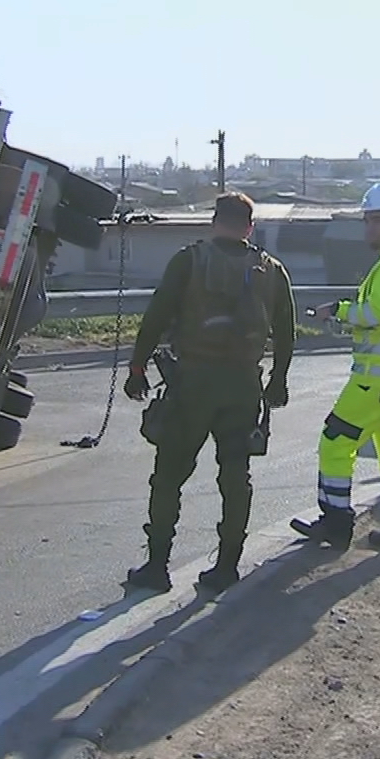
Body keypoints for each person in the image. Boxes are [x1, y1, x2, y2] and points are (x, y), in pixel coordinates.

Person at [122, 192, 296, 593]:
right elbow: (286, 333)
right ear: (250, 227)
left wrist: (137, 368)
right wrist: (278, 381)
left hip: (193, 384)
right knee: (236, 476)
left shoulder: (189, 260)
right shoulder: (272, 271)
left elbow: (157, 315)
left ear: (215, 220)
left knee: (168, 476)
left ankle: (157, 567)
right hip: (242, 386)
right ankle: (227, 568)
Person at [291, 181, 380, 554]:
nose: (370, 228)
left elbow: (375, 314)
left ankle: (336, 523)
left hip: (378, 380)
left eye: (377, 221)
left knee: (336, 440)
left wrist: (337, 311)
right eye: (367, 221)